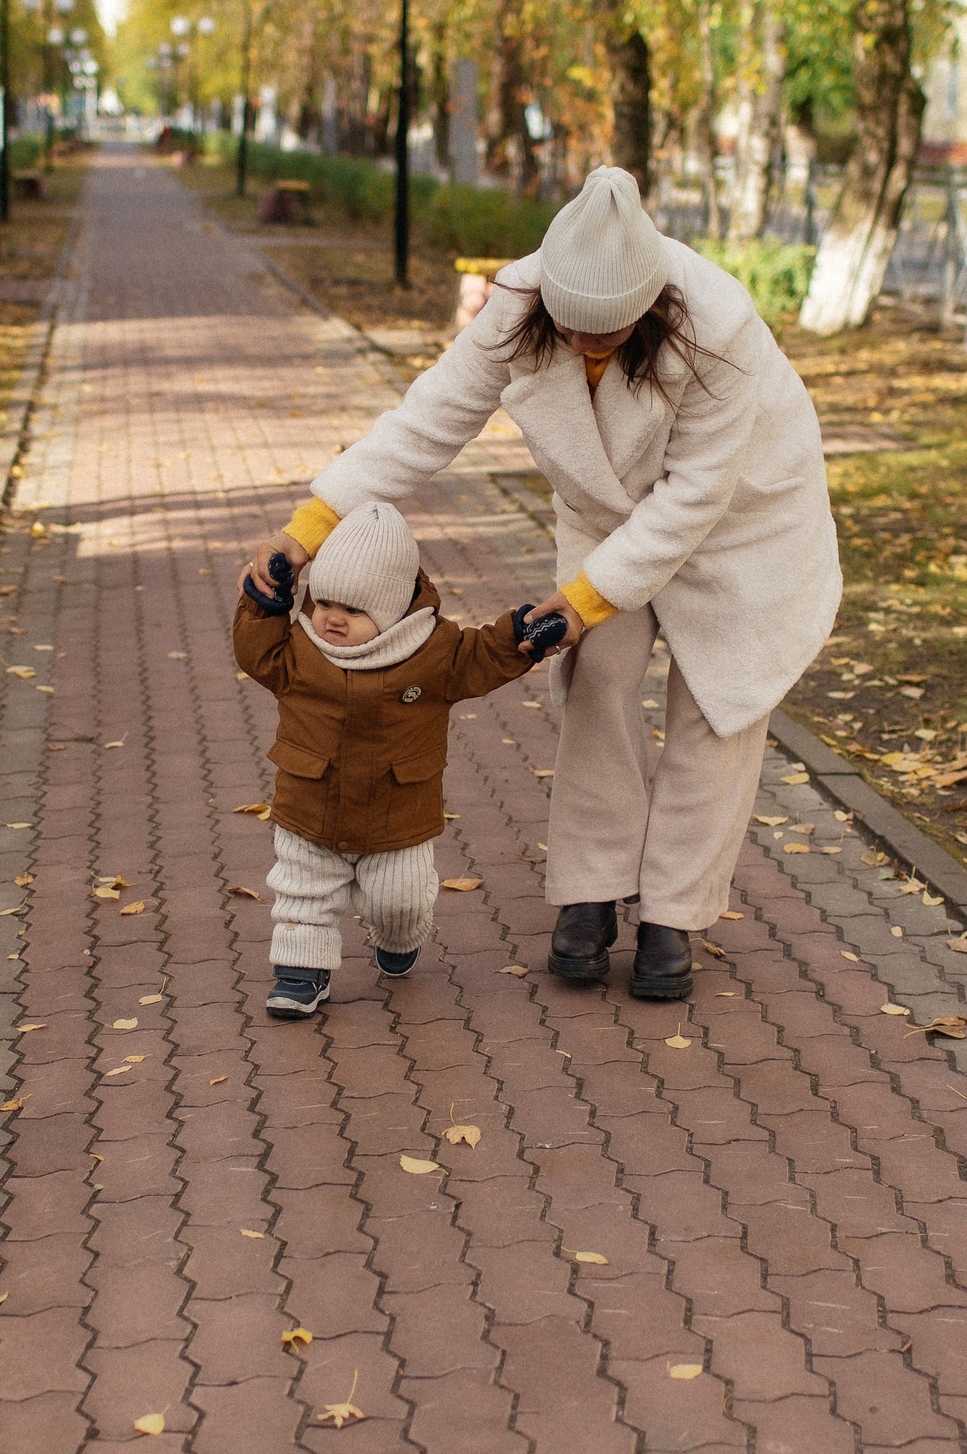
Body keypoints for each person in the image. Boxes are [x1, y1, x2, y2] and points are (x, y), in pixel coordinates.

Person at [239, 167, 839, 1001]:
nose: (588, 346)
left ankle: (671, 911)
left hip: (743, 522)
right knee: (593, 677)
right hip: (606, 511)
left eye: (609, 332)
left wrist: (587, 598)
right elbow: (427, 421)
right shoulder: (517, 306)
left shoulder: (719, 327)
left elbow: (694, 497)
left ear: (650, 304)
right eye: (573, 329)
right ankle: (592, 890)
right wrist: (308, 528)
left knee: (717, 710)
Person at [233, 501, 566, 1019]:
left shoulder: (434, 652)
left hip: (398, 812)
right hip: (309, 802)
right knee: (303, 892)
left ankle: (399, 934)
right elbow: (257, 652)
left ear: (391, 611)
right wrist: (263, 603)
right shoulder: (297, 649)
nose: (332, 618)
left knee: (399, 899)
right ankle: (300, 972)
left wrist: (522, 634)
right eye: (324, 602)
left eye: (354, 609)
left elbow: (483, 655)